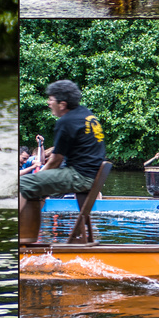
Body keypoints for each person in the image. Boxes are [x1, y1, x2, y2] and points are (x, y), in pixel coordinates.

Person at [18, 80, 106, 243]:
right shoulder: (88, 115)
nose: (48, 103)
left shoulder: (66, 122)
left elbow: (55, 161)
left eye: (51, 99)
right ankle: (29, 238)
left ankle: (22, 237)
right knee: (34, 186)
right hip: (93, 175)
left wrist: (38, 176)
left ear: (62, 104)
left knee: (23, 183)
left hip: (79, 176)